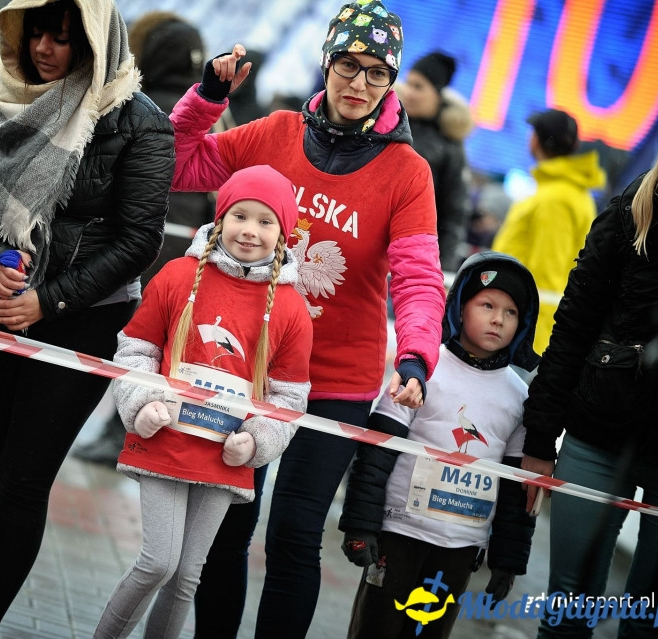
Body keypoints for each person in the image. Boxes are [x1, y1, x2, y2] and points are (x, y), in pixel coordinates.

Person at [0, 1, 174, 638]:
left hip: (84, 318)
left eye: (63, 38)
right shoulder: (8, 93)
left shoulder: (140, 122)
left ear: (97, 44)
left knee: (23, 478)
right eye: (37, 33)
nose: (44, 48)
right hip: (0, 298)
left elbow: (138, 241)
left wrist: (48, 301)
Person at [169, 2, 447, 636]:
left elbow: (417, 277)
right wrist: (208, 97)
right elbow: (181, 166)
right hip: (253, 368)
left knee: (295, 534)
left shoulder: (408, 173)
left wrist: (415, 355)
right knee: (230, 522)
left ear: (392, 80)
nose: (360, 84)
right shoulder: (275, 133)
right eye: (349, 65)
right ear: (327, 62)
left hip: (338, 383)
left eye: (378, 72)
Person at [93, 164, 313, 639]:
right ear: (221, 217)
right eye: (240, 216)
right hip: (164, 439)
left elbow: (289, 396)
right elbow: (137, 349)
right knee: (157, 563)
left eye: (265, 221)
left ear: (283, 232)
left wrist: (256, 444)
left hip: (225, 459)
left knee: (187, 575)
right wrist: (140, 404)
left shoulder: (292, 308)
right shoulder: (177, 274)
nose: (250, 231)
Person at [521, 98, 658, 639]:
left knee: (656, 619)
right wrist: (541, 438)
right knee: (567, 604)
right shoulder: (626, 210)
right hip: (595, 428)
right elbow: (572, 327)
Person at [340, 251, 540, 639]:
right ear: (460, 307)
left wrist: (508, 562)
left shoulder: (520, 396)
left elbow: (518, 489)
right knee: (374, 630)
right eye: (487, 305)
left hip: (460, 550)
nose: (498, 319)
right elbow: (376, 452)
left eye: (511, 312)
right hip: (398, 535)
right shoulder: (422, 369)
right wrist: (359, 524)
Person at [73, 10, 218, 467]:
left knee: (132, 341)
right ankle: (130, 432)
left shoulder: (140, 105)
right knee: (161, 345)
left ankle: (116, 432)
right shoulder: (214, 110)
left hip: (134, 242)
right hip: (188, 246)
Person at [492, 108, 606, 354]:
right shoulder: (567, 192)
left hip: (523, 335)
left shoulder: (556, 198)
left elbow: (546, 276)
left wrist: (528, 341)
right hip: (519, 324)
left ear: (537, 139)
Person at [397, 51, 474, 273]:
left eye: (419, 87)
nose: (409, 92)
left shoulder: (450, 148)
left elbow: (453, 214)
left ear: (438, 94)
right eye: (408, 84)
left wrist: (444, 272)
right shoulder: (386, 124)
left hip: (412, 259)